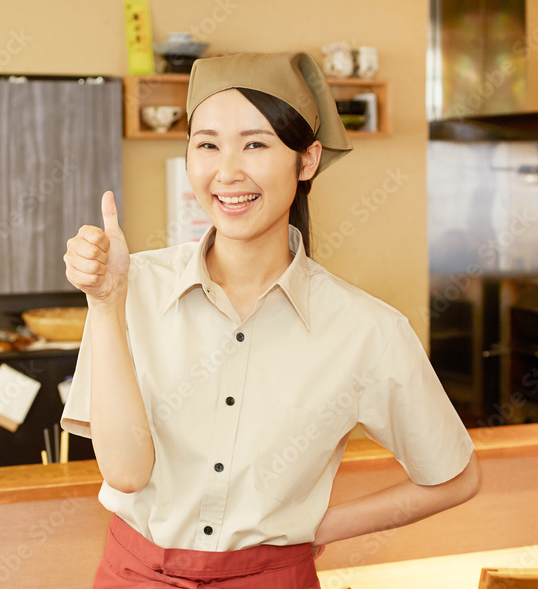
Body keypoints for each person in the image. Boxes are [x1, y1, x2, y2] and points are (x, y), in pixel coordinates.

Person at [62, 51, 480, 588]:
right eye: (207, 144)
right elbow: (125, 472)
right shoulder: (128, 286)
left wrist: (315, 526)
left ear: (306, 161)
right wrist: (104, 303)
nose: (227, 171)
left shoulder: (367, 330)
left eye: (255, 144)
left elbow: (454, 477)